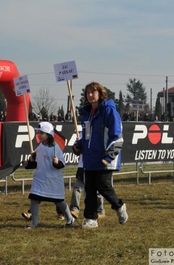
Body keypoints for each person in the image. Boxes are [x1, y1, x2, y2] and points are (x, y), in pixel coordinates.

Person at [73, 81, 128, 229]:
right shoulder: (86, 114)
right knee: (89, 189)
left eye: (93, 92)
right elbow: (86, 136)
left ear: (100, 93)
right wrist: (78, 146)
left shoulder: (108, 110)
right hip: (89, 158)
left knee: (102, 186)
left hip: (104, 157)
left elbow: (116, 135)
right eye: (88, 92)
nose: (90, 95)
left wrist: (109, 156)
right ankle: (91, 219)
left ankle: (119, 206)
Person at [22, 122, 75, 229]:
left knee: (59, 201)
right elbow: (35, 163)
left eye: (41, 133)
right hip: (40, 178)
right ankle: (34, 222)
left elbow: (62, 164)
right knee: (34, 199)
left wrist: (56, 163)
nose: (39, 135)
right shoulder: (40, 147)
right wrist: (28, 163)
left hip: (53, 180)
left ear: (48, 134)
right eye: (38, 132)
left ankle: (70, 218)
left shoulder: (55, 148)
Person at [69, 154, 105, 220]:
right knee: (77, 187)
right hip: (82, 166)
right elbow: (77, 150)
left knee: (96, 190)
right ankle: (74, 209)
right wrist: (76, 148)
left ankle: (100, 211)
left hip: (95, 166)